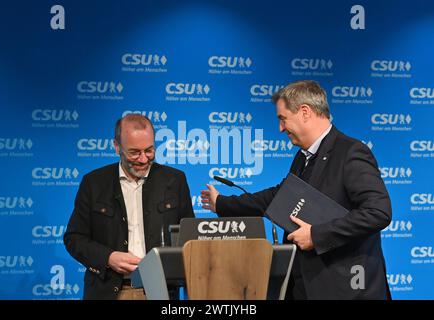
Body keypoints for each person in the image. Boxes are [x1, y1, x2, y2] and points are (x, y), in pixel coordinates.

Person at [201, 80, 392, 300]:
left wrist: (316, 235)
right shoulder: (303, 157)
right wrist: (223, 204)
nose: (280, 128)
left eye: (283, 119)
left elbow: (378, 212)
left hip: (348, 289)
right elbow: (278, 197)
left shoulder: (351, 152)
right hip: (306, 286)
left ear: (304, 112)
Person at [64, 114, 194, 300]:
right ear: (117, 147)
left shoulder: (175, 180)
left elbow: (188, 239)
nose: (143, 159)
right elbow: (74, 238)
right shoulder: (94, 183)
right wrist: (108, 258)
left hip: (160, 291)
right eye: (134, 152)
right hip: (109, 291)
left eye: (149, 150)